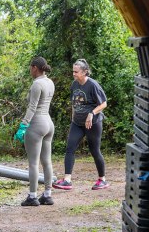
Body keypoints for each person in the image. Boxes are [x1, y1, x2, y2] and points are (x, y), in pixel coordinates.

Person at [53, 59, 109, 191]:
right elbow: (74, 103)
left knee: (95, 151)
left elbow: (104, 103)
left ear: (84, 72)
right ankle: (67, 180)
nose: (73, 74)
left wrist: (92, 113)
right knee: (70, 148)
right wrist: (73, 117)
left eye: (76, 72)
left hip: (92, 123)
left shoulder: (93, 85)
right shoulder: (74, 84)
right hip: (77, 123)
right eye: (73, 71)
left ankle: (102, 180)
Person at [14, 56, 56, 206]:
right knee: (47, 161)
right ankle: (47, 194)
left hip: (37, 124)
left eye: (30, 68)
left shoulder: (37, 84)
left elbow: (32, 107)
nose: (29, 71)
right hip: (48, 123)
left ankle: (32, 196)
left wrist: (23, 125)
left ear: (34, 68)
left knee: (33, 163)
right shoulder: (49, 82)